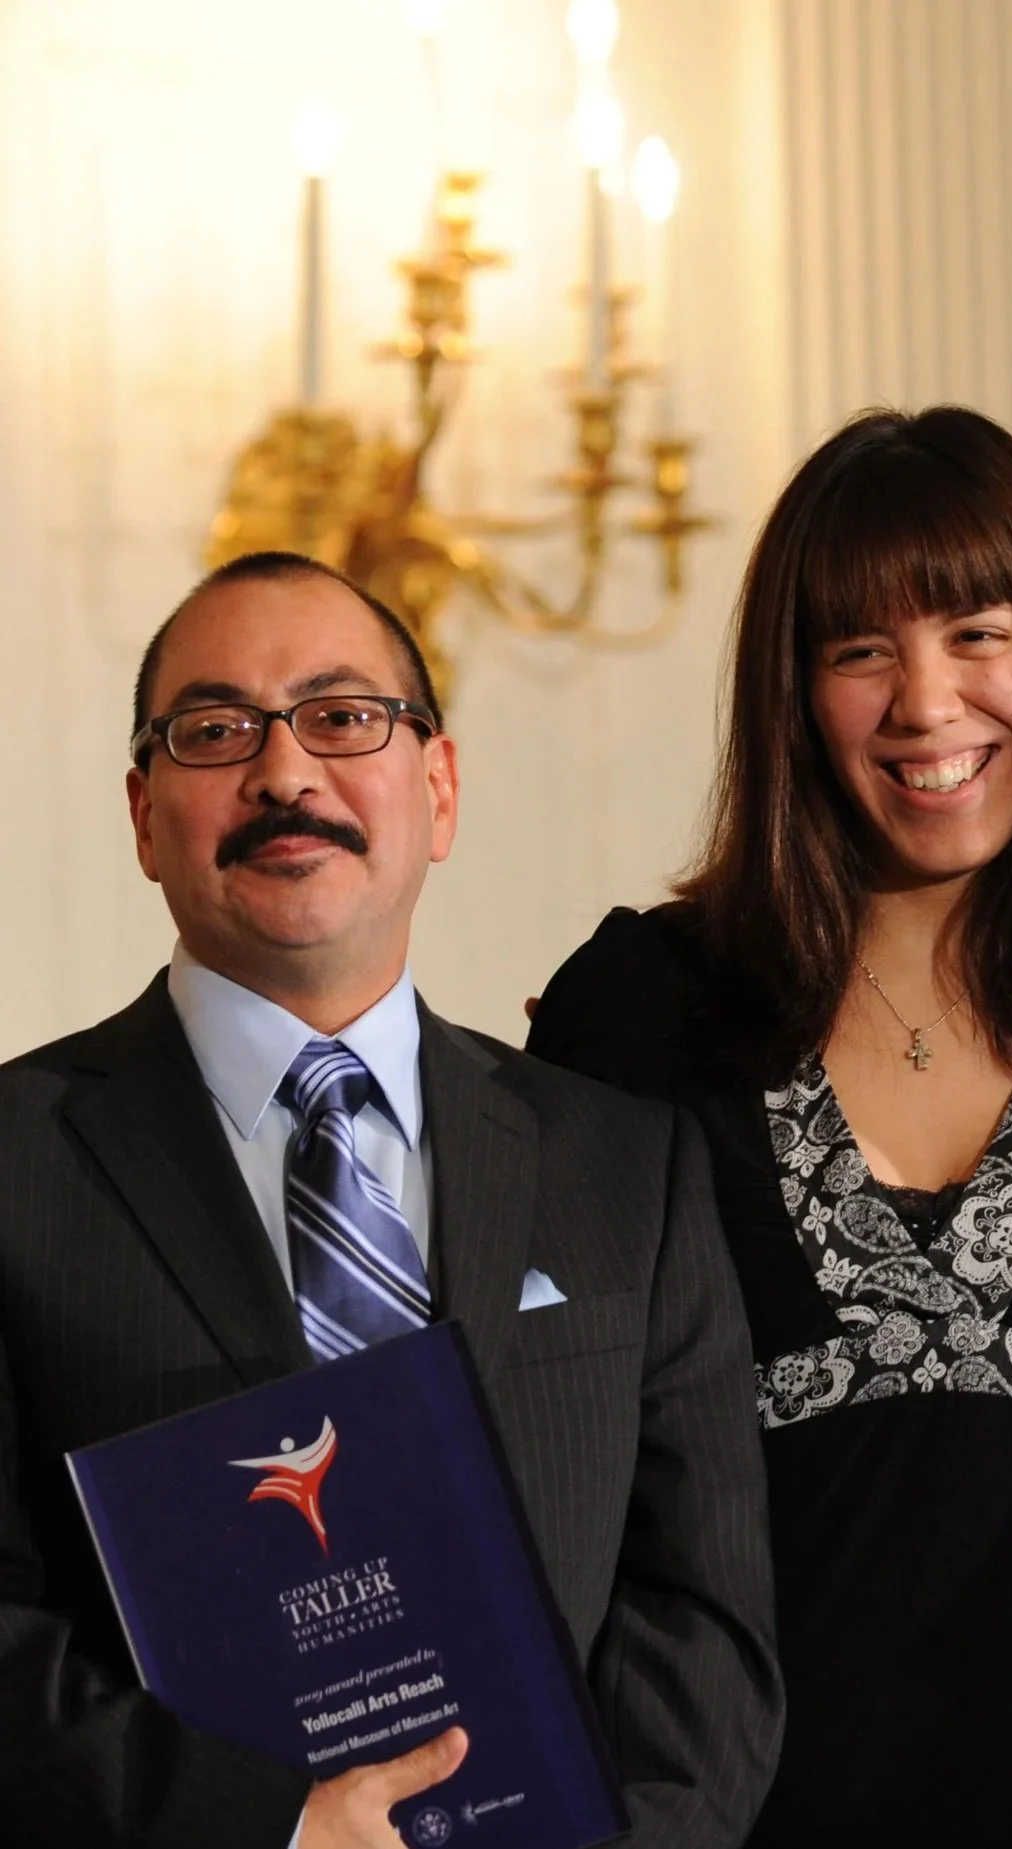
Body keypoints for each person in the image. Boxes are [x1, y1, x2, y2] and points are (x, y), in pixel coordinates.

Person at [0, 552, 782, 1848]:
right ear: (143, 814)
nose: (285, 773)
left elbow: (702, 1618)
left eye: (344, 716)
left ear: (440, 785)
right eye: (216, 730)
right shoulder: (18, 1165)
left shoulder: (626, 1169)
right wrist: (273, 1832)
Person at [528, 407, 1012, 1849]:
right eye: (860, 654)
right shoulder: (640, 1014)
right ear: (792, 698)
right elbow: (555, 1463)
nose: (926, 704)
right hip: (750, 1810)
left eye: (978, 632)